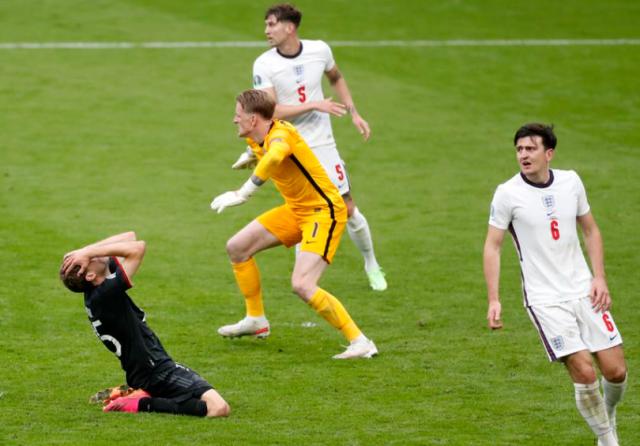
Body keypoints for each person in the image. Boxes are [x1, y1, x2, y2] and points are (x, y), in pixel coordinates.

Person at [483, 124, 627, 445]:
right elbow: (493, 246)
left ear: (549, 153)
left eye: (530, 148)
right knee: (585, 372)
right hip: (544, 299)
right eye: (519, 149)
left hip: (584, 290)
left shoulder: (571, 181)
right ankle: (607, 439)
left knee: (616, 372)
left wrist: (599, 277)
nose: (523, 155)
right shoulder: (507, 194)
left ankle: (607, 417)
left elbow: (591, 230)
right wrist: (494, 298)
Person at [211, 89, 378, 359]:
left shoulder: (280, 136)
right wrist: (253, 155)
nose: (234, 119)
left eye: (238, 115)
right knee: (237, 247)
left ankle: (361, 342)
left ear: (253, 119)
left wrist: (243, 193)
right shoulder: (258, 136)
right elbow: (266, 153)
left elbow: (276, 155)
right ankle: (256, 320)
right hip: (297, 210)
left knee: (302, 284)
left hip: (323, 212)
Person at [232, 3, 387, 291]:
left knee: (348, 207)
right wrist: (314, 104)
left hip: (322, 144)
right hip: (289, 147)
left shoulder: (319, 50)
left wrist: (354, 112)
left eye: (271, 24)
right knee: (301, 208)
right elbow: (270, 112)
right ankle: (305, 280)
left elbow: (335, 77)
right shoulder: (264, 64)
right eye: (266, 25)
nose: (266, 30)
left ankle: (371, 263)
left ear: (289, 27)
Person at [60, 231, 230, 417]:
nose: (94, 255)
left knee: (198, 395)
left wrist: (85, 251)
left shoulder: (98, 289)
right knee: (218, 408)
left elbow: (130, 237)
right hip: (156, 372)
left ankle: (142, 391)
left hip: (145, 371)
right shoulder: (106, 294)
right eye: (89, 259)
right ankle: (142, 402)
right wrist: (89, 252)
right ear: (90, 275)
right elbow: (137, 249)